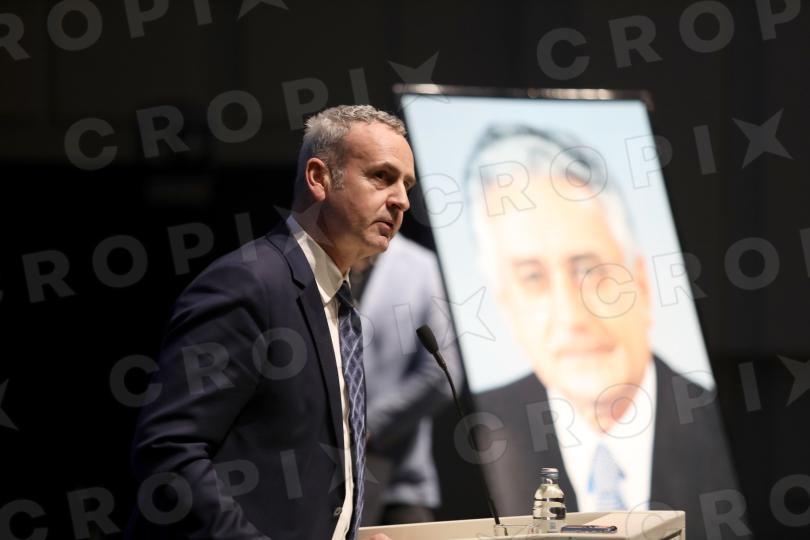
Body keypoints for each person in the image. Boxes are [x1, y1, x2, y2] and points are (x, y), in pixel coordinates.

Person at [125, 105, 415, 540]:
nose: (401, 200)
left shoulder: (337, 300)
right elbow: (169, 453)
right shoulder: (247, 284)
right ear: (319, 178)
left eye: (407, 185)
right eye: (381, 176)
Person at [464, 125, 747, 540]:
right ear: (506, 306)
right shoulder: (476, 433)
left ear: (641, 283)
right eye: (532, 278)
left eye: (589, 270)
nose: (570, 315)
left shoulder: (729, 426)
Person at [351, 234, 462, 526]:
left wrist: (367, 426)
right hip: (323, 487)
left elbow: (440, 374)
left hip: (397, 483)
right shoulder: (316, 264)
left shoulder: (419, 266)